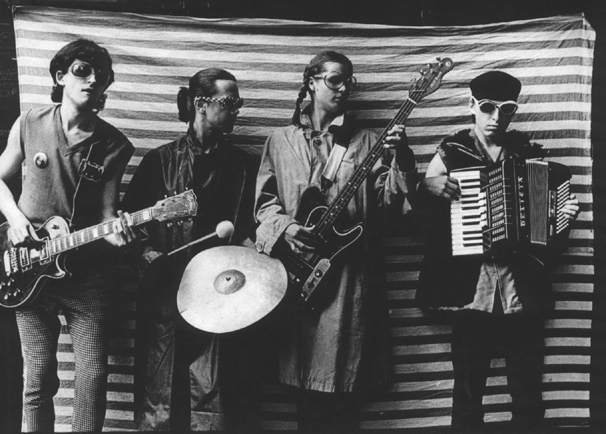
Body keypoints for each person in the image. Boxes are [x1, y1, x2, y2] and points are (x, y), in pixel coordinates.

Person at [254, 50, 417, 433]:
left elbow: (391, 208)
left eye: (348, 81)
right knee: (303, 396)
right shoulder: (279, 141)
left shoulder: (369, 141)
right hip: (297, 278)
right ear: (310, 83)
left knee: (343, 391)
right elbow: (263, 205)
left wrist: (402, 157)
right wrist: (286, 229)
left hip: (348, 282)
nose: (343, 88)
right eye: (334, 80)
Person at [416, 70, 580, 430]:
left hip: (520, 291)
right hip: (470, 292)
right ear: (471, 105)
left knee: (527, 391)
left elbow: (548, 241)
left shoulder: (529, 156)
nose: (495, 117)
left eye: (506, 109)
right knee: (468, 392)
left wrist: (563, 218)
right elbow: (418, 222)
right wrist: (426, 188)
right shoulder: (450, 154)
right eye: (487, 107)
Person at [0, 39, 135, 432]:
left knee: (93, 377)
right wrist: (15, 219)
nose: (92, 80)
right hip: (27, 271)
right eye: (82, 70)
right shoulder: (29, 123)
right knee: (36, 380)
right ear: (60, 76)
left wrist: (118, 233)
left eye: (101, 74)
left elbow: (107, 215)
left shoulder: (115, 145)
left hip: (88, 277)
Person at [123, 68, 261, 432]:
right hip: (165, 297)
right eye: (229, 102)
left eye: (238, 103)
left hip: (221, 298)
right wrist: (151, 258)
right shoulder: (158, 161)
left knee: (215, 397)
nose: (236, 110)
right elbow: (131, 226)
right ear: (201, 104)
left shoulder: (244, 166)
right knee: (161, 399)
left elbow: (252, 230)